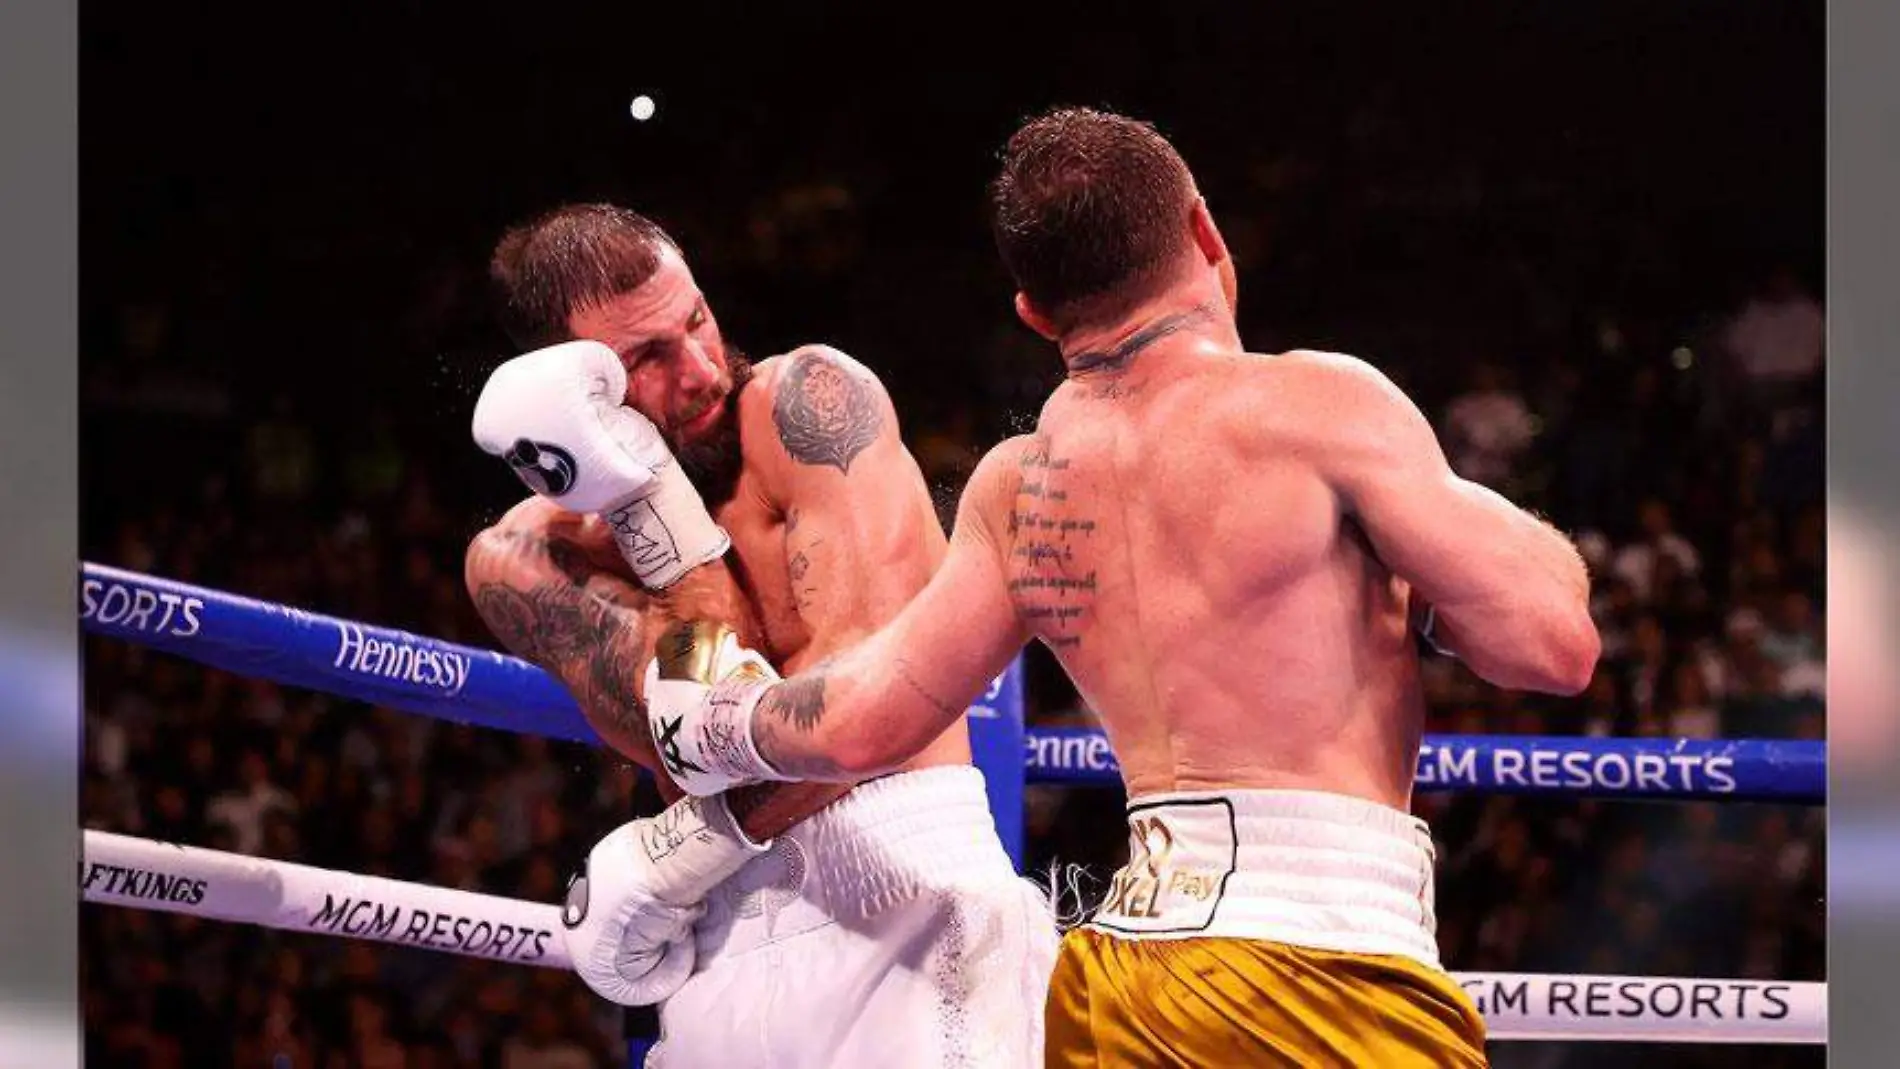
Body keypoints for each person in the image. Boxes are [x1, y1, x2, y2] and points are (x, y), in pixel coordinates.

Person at [644, 107, 1600, 1067]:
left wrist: (715, 707)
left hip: (1117, 986)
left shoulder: (1018, 487)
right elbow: (1554, 646)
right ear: (1205, 230)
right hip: (1322, 968)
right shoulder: (1321, 405)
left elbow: (861, 726)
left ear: (1034, 312)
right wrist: (1434, 573)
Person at [462, 204, 1057, 1068]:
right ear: (568, 393)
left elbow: (863, 716)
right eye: (647, 357)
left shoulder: (808, 406)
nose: (701, 368)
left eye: (697, 318)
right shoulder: (527, 560)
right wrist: (654, 503)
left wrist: (675, 853)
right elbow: (700, 724)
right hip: (724, 944)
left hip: (901, 889)